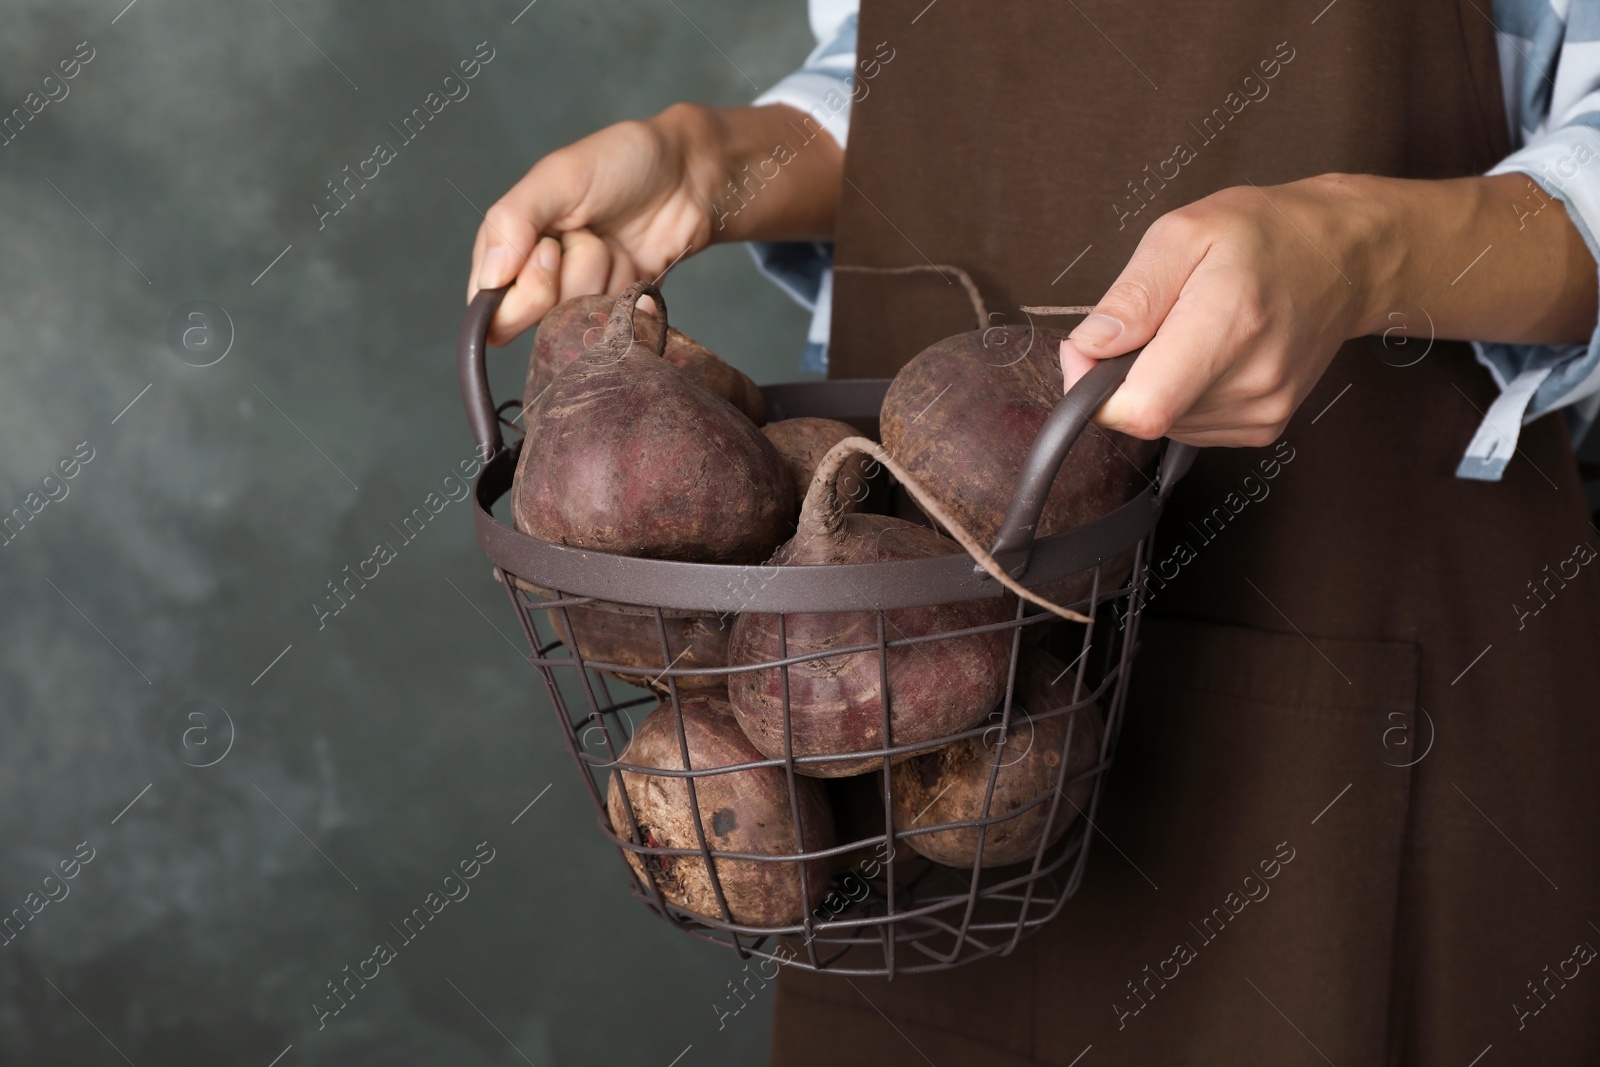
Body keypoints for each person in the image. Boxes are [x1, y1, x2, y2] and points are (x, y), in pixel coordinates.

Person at [467, 1, 1600, 1062]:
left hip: (1366, 632)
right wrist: (712, 162)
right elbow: (900, 89)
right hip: (874, 743)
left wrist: (1365, 250)